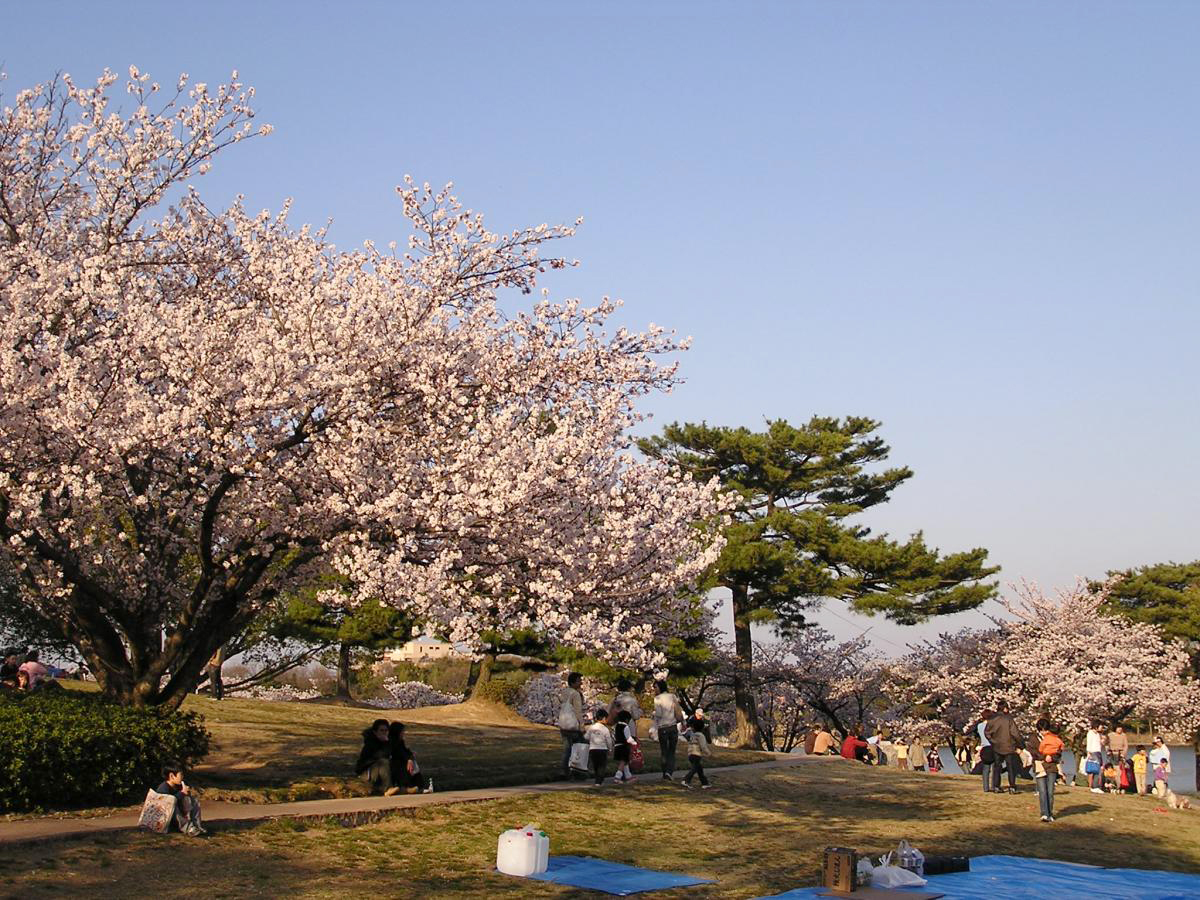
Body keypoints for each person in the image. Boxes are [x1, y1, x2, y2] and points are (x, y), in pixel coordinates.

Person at [157, 763, 206, 836]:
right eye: (181, 775)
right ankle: (188, 828)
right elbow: (168, 803)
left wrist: (187, 794)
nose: (182, 777)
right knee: (173, 806)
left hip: (179, 817)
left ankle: (196, 826)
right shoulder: (163, 788)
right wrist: (182, 793)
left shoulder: (178, 786)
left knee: (194, 801)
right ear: (172, 776)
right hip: (166, 819)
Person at [984, 702, 1022, 794]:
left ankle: (996, 786)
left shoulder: (992, 719)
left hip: (997, 746)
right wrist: (1019, 744)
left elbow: (987, 733)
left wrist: (993, 741)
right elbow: (1015, 733)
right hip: (1009, 746)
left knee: (997, 766)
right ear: (1005, 708)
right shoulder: (1008, 719)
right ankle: (1012, 787)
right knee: (1010, 767)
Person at [652, 680, 685, 781]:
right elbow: (677, 709)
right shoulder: (672, 696)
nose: (654, 690)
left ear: (660, 687)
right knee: (672, 751)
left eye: (655, 687)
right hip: (673, 726)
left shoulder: (657, 698)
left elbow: (659, 714)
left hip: (663, 727)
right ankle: (669, 772)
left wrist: (653, 714)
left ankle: (664, 773)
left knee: (664, 751)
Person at [1031, 718, 1064, 823]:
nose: (1044, 732)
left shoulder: (1055, 739)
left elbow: (1059, 753)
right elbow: (1033, 751)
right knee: (1042, 791)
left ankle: (1049, 813)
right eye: (1041, 730)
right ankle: (1044, 813)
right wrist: (1044, 757)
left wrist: (1052, 757)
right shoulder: (1033, 739)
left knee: (1050, 791)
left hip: (1052, 766)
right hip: (1040, 765)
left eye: (1045, 730)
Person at [388, 721, 431, 794]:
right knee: (407, 765)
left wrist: (410, 758)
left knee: (413, 764)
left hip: (401, 761)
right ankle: (407, 786)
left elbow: (406, 751)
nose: (403, 733)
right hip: (394, 764)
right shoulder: (391, 741)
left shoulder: (400, 741)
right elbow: (398, 753)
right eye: (402, 731)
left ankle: (419, 786)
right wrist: (408, 759)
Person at [557, 672, 586, 780]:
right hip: (573, 726)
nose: (581, 682)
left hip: (563, 725)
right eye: (579, 680)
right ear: (573, 682)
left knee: (567, 749)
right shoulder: (575, 694)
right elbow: (578, 712)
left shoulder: (564, 692)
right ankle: (577, 772)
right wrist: (582, 726)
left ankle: (564, 770)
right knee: (578, 749)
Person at [355, 718, 393, 794]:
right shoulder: (370, 743)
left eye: (386, 730)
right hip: (368, 773)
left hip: (380, 772)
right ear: (375, 732)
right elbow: (381, 755)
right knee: (383, 762)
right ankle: (387, 789)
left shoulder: (388, 742)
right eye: (381, 730)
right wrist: (386, 744)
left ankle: (405, 786)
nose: (384, 733)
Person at [682, 712, 711, 789]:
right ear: (702, 728)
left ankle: (705, 783)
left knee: (699, 769)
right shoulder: (701, 736)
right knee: (695, 768)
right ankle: (686, 780)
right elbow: (703, 746)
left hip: (690, 753)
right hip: (697, 754)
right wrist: (708, 753)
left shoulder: (693, 735)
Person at [586, 707, 614, 786]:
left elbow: (586, 737)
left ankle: (597, 779)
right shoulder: (605, 729)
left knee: (596, 765)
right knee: (602, 766)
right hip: (602, 749)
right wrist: (610, 749)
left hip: (593, 749)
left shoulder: (592, 727)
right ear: (604, 718)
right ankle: (599, 781)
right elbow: (608, 740)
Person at [970, 710, 996, 792]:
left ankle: (985, 787)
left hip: (984, 748)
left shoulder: (979, 726)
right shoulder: (992, 726)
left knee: (986, 768)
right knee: (993, 768)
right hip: (992, 747)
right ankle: (993, 786)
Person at [612, 709, 638, 784]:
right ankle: (617, 777)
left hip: (617, 746)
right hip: (624, 747)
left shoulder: (616, 726)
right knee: (623, 762)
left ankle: (628, 776)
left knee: (626, 762)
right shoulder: (625, 726)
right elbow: (628, 738)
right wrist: (634, 743)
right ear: (626, 719)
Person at [1085, 720, 1105, 793]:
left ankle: (1095, 786)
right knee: (1096, 769)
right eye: (1100, 726)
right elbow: (1089, 743)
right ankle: (1094, 786)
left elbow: (1098, 744)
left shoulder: (1097, 734)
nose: (1101, 728)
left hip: (1098, 752)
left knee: (1099, 769)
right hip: (1093, 752)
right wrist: (1089, 753)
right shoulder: (1090, 733)